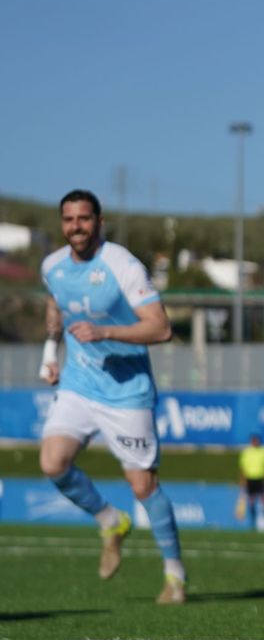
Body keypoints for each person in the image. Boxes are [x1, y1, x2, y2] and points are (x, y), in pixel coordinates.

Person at [37, 189, 187, 604]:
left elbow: (160, 329)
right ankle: (110, 520)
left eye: (83, 219)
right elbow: (56, 306)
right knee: (52, 462)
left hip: (126, 390)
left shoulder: (122, 265)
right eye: (68, 219)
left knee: (143, 485)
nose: (75, 227)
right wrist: (51, 355)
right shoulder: (52, 266)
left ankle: (174, 574)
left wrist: (106, 332)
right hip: (79, 383)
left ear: (99, 223)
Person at [237, 433, 264, 532]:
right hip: (250, 479)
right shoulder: (247, 452)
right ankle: (253, 523)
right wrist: (242, 480)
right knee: (251, 501)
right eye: (253, 440)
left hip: (261, 479)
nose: (255, 442)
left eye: (256, 440)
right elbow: (243, 468)